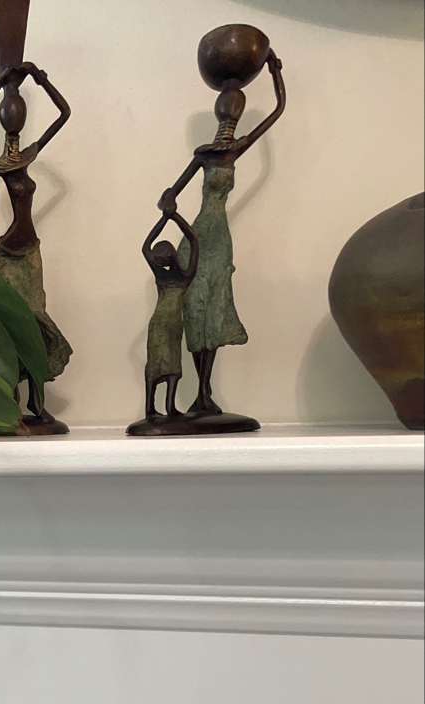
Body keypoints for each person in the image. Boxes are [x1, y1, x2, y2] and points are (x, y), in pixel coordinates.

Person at [158, 49, 284, 415]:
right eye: (227, 108)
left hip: (219, 242)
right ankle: (200, 394)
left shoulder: (235, 149)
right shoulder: (205, 153)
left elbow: (277, 111)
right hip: (197, 237)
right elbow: (169, 195)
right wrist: (169, 208)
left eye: (234, 109)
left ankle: (204, 393)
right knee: (195, 312)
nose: (230, 114)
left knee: (214, 313)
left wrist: (274, 69)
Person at [137, 210, 199, 423]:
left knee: (156, 364)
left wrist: (165, 217)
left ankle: (153, 407)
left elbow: (145, 247)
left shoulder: (161, 274)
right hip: (172, 323)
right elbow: (193, 241)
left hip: (159, 322)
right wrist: (174, 216)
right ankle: (167, 407)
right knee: (172, 365)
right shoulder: (185, 275)